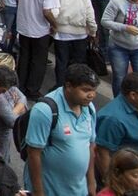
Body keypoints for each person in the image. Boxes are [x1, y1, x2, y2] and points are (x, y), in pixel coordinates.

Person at [23, 64, 99, 196]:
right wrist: (38, 192)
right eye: (86, 90)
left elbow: (90, 146)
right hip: (50, 191)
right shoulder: (45, 110)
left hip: (79, 190)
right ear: (69, 86)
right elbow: (33, 153)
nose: (91, 95)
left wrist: (91, 182)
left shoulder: (89, 107)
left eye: (94, 90)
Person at [15, 0, 59, 100]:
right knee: (38, 61)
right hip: (40, 29)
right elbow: (47, 11)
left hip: (23, 25)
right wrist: (55, 24)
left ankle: (20, 86)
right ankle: (32, 90)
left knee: (24, 57)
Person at [95, 72, 138, 178]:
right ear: (133, 95)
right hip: (128, 177)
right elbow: (103, 154)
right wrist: (111, 185)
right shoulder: (112, 119)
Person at [51, 0, 97, 88]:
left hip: (61, 34)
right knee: (78, 63)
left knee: (61, 62)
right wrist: (93, 31)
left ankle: (61, 87)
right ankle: (77, 87)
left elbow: (54, 13)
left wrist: (52, 26)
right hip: (81, 33)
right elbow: (89, 12)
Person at [0, 54, 27, 162]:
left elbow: (23, 98)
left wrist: (18, 106)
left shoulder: (8, 86)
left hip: (3, 138)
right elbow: (12, 121)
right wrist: (18, 107)